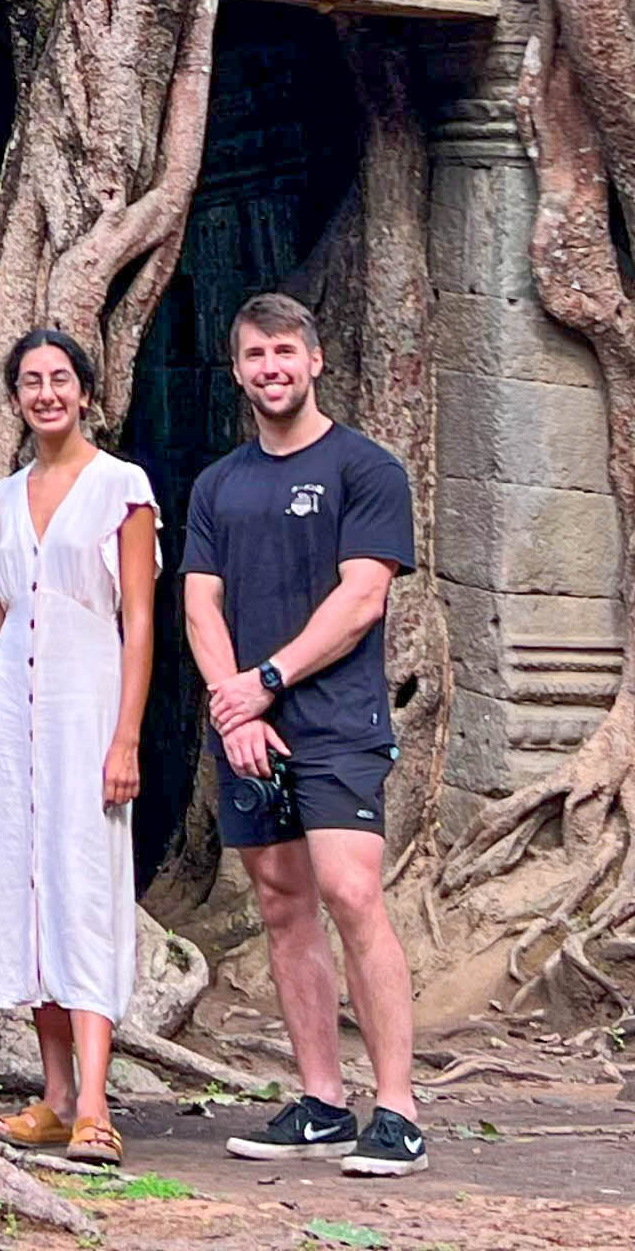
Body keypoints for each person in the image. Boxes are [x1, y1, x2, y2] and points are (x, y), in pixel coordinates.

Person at [183, 290, 426, 1178]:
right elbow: (200, 604)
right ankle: (322, 1101)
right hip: (248, 727)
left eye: (285, 351)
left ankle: (397, 1110)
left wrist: (266, 683)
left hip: (335, 722)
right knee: (282, 905)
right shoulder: (219, 485)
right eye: (255, 355)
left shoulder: (366, 469)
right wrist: (233, 705)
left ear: (315, 360)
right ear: (237, 370)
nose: (271, 368)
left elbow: (362, 598)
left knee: (352, 893)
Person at [0, 327, 159, 1168]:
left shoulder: (121, 488)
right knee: (30, 889)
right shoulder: (2, 501)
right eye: (31, 381)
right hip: (14, 718)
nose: (46, 393)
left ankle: (97, 1104)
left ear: (85, 392)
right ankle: (56, 1094)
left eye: (60, 378)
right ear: (15, 398)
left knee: (84, 886)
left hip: (87, 709)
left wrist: (127, 736)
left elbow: (139, 618)